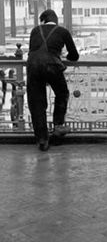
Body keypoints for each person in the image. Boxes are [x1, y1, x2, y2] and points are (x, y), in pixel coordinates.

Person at [26, 9, 79, 151]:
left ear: (42, 20)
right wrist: (63, 56)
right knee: (62, 93)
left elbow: (33, 51)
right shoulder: (63, 31)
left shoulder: (35, 31)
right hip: (52, 66)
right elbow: (74, 56)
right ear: (56, 20)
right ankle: (58, 125)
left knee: (37, 102)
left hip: (33, 67)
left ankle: (42, 140)